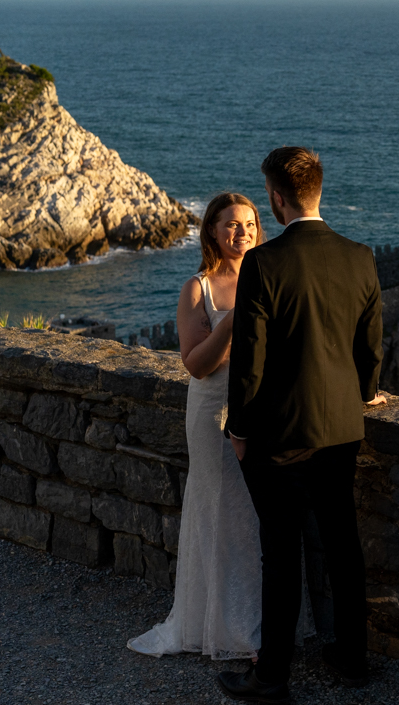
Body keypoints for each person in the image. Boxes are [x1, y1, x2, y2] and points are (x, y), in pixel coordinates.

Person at [216, 147, 385, 705]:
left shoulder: (265, 264)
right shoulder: (360, 256)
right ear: (318, 191)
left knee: (281, 552)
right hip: (341, 426)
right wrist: (363, 393)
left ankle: (273, 678)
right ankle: (353, 658)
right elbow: (370, 348)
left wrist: (239, 429)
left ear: (276, 198)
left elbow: (250, 363)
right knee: (342, 545)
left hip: (278, 433)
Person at [127, 193, 265, 660]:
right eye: (230, 224)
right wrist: (234, 320)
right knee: (223, 514)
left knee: (260, 518)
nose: (241, 232)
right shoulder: (197, 288)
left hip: (264, 413)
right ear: (211, 231)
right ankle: (227, 632)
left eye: (249, 223)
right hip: (214, 415)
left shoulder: (269, 277)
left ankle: (259, 622)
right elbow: (196, 364)